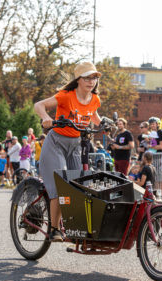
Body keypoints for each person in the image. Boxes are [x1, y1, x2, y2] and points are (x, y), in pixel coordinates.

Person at [34, 61, 102, 241]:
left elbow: (93, 115)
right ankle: (54, 229)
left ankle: (76, 227)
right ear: (78, 79)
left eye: (94, 77)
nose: (91, 81)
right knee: (61, 184)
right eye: (87, 78)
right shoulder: (65, 96)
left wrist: (104, 124)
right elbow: (39, 105)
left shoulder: (94, 99)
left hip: (75, 145)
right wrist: (46, 118)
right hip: (56, 143)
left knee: (79, 186)